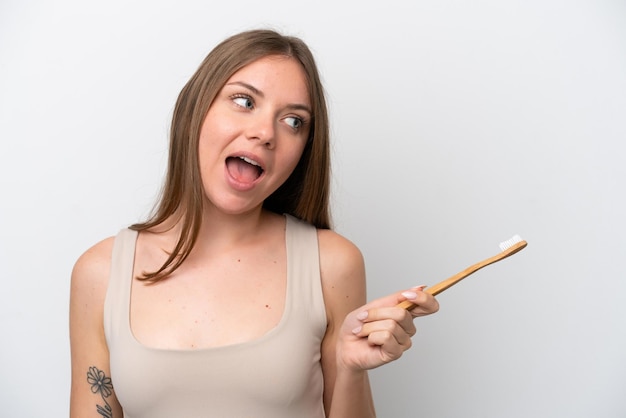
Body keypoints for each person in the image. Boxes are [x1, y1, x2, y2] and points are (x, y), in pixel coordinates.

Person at [69, 29, 439, 418]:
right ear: (195, 108)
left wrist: (349, 370)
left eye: (294, 121)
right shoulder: (100, 273)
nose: (265, 133)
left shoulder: (331, 263)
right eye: (244, 101)